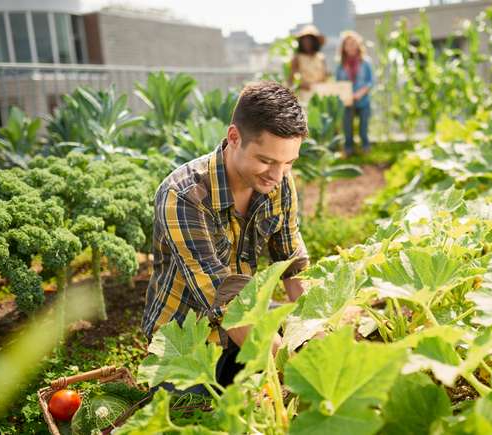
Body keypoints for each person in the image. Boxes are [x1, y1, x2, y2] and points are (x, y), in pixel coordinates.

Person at [142, 81, 310, 387]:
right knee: (197, 418)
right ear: (234, 137)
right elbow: (225, 302)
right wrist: (296, 371)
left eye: (288, 163)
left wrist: (314, 334)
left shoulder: (279, 182)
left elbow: (293, 263)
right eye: (266, 160)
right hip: (188, 337)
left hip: (246, 318)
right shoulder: (183, 195)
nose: (277, 174)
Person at [335, 31, 373, 157]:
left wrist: (360, 94)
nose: (350, 46)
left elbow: (370, 81)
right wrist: (346, 96)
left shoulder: (366, 62)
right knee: (348, 128)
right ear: (343, 47)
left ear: (358, 45)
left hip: (363, 101)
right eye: (347, 44)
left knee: (363, 128)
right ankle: (349, 149)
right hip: (347, 102)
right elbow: (339, 84)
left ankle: (366, 148)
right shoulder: (341, 65)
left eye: (353, 43)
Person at [290, 24, 328, 103]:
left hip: (320, 94)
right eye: (304, 39)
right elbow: (291, 80)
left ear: (315, 42)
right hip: (304, 95)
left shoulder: (321, 57)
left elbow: (325, 77)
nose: (307, 42)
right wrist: (300, 85)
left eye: (310, 39)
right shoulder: (297, 58)